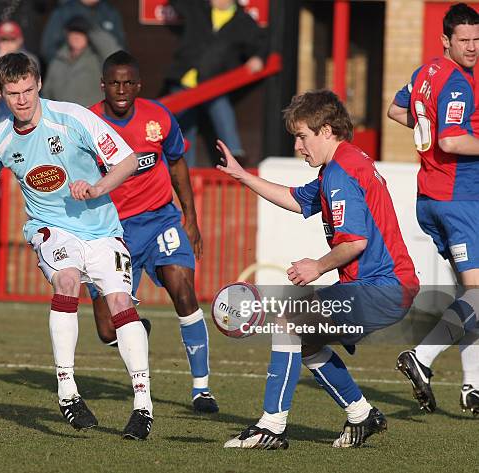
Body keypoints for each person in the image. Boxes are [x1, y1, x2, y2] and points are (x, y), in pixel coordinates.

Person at [0, 52, 154, 440]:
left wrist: (97, 187)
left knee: (119, 303)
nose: (22, 100)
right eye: (12, 93)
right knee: (65, 280)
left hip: (101, 228)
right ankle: (67, 391)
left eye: (28, 90)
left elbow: (129, 160)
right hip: (50, 228)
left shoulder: (73, 117)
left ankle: (143, 406)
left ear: (39, 84)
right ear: (0, 93)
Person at [217, 90, 419, 449]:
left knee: (287, 323)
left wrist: (318, 266)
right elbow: (296, 199)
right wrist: (243, 176)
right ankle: (361, 416)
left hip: (382, 287)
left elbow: (355, 242)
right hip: (386, 286)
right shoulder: (340, 166)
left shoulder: (341, 172)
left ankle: (271, 427)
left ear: (327, 130)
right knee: (306, 341)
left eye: (302, 136)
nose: (298, 146)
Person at [86, 51, 218, 413]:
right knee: (107, 331)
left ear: (139, 85)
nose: (122, 89)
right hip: (110, 230)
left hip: (161, 219)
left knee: (184, 290)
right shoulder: (88, 123)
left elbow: (176, 161)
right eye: (115, 83)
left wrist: (189, 217)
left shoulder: (158, 117)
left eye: (129, 82)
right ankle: (135, 330)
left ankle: (202, 390)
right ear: (103, 85)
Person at [388, 2, 479, 416]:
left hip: (431, 197)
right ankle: (421, 358)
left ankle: (473, 386)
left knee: (469, 292)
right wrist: (440, 130)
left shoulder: (425, 73)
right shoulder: (458, 83)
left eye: (477, 40)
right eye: (464, 40)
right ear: (446, 40)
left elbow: (396, 110)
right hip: (458, 198)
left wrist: (428, 123)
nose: (473, 47)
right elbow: (452, 142)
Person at [166, 0, 266, 166]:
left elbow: (262, 44)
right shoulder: (196, 7)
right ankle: (185, 171)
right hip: (183, 81)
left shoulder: (243, 20)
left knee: (219, 105)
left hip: (214, 84)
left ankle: (234, 155)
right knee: (183, 126)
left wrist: (258, 58)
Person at [41, 16, 120, 107]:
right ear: (67, 35)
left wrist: (94, 31)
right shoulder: (57, 61)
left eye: (81, 33)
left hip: (91, 115)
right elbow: (46, 93)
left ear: (88, 36)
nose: (76, 36)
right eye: (73, 32)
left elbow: (114, 54)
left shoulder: (97, 59)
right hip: (62, 118)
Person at [40, 0, 125, 63]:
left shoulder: (110, 12)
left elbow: (121, 49)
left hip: (102, 77)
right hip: (72, 77)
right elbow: (48, 49)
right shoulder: (64, 12)